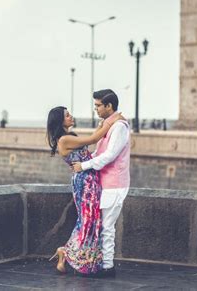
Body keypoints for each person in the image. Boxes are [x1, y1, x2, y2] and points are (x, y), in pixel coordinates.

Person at [46, 105, 124, 276]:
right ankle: (66, 252)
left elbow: (90, 150)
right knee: (87, 220)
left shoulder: (70, 137)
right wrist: (113, 120)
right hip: (84, 183)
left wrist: (103, 125)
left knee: (91, 219)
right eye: (67, 115)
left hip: (90, 180)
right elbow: (93, 139)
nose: (71, 116)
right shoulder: (64, 140)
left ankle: (73, 255)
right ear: (60, 120)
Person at [72, 89, 131, 278]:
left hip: (115, 184)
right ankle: (102, 264)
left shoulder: (119, 127)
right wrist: (84, 163)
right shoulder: (109, 126)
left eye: (98, 105)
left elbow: (110, 155)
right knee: (103, 226)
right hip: (106, 183)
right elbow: (99, 152)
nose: (95, 108)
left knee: (107, 227)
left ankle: (108, 267)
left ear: (109, 106)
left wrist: (84, 165)